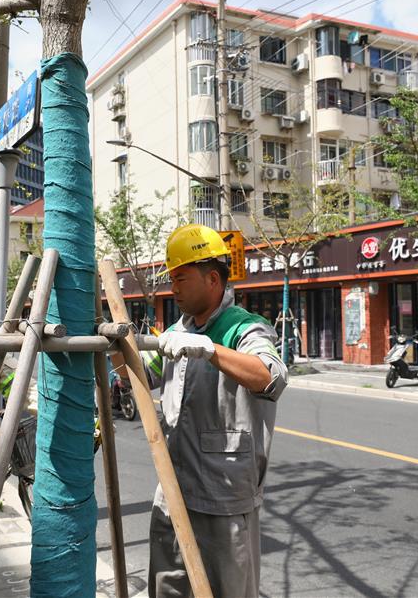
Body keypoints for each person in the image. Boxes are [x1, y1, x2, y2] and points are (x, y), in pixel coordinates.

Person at [138, 224, 288, 598]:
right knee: (167, 588)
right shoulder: (178, 330)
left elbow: (270, 376)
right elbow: (143, 375)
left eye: (181, 278)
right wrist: (118, 348)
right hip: (174, 490)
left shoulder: (245, 328)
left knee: (228, 590)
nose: (174, 287)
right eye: (172, 278)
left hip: (223, 494)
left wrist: (209, 349)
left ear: (213, 279)